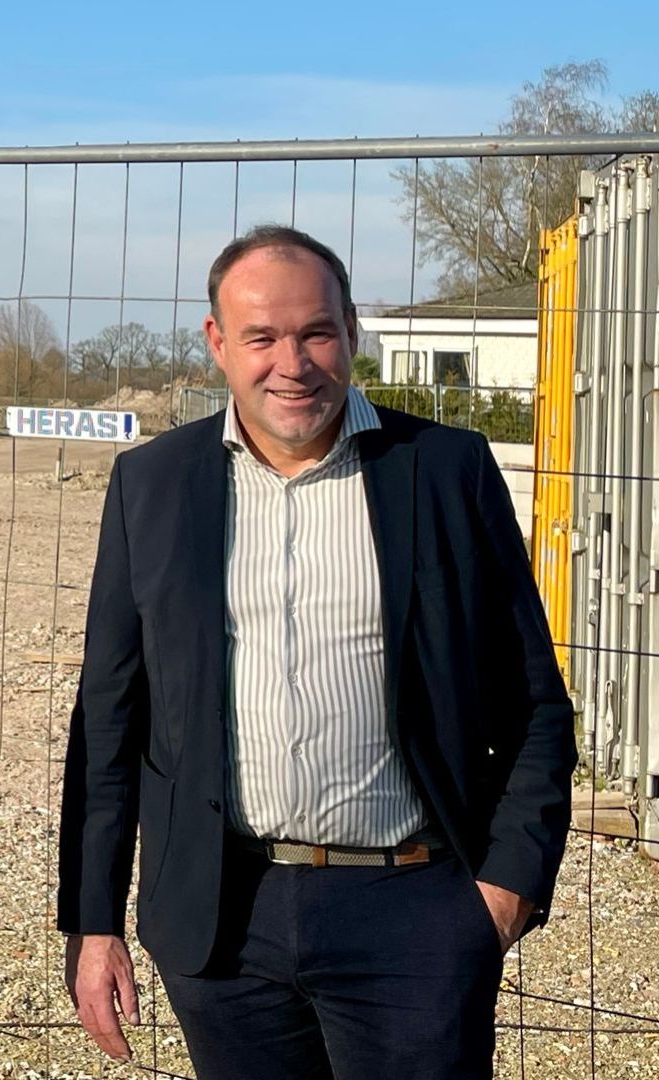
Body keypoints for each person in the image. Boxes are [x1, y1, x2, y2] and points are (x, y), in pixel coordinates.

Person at [58, 225, 575, 1079]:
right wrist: (94, 920)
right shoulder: (152, 484)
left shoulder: (445, 470)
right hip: (225, 923)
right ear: (218, 342)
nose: (291, 364)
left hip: (415, 911)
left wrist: (503, 892)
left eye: (316, 333)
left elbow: (535, 703)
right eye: (261, 337)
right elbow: (110, 720)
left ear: (352, 331)